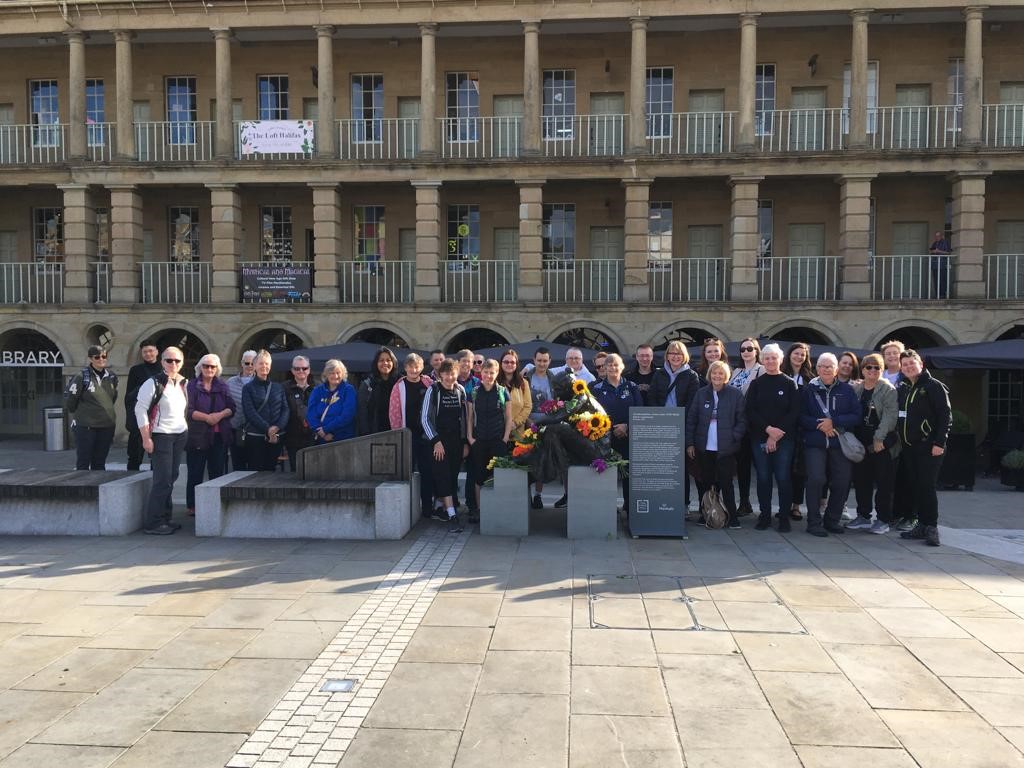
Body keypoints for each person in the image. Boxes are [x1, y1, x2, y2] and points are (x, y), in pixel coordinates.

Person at [799, 352, 861, 537]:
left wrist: (833, 422)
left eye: (830, 366)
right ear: (817, 369)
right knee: (816, 480)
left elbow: (856, 416)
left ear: (836, 369)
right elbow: (801, 416)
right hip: (815, 442)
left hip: (839, 443)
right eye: (823, 366)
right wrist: (820, 425)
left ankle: (832, 520)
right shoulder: (808, 390)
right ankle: (814, 522)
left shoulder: (847, 390)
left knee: (842, 481)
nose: (826, 369)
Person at [895, 350, 952, 547]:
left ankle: (932, 527)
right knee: (916, 485)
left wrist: (939, 442)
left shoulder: (933, 386)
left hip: (930, 447)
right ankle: (921, 523)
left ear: (921, 364)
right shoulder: (903, 387)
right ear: (901, 368)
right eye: (905, 364)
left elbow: (945, 416)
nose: (909, 367)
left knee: (927, 486)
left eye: (912, 363)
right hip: (910, 447)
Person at [686, 360, 747, 529]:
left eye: (720, 373)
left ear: (726, 375)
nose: (717, 376)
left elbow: (742, 421)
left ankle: (732, 517)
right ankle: (706, 514)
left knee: (726, 483)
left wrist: (734, 437)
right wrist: (690, 443)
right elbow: (691, 420)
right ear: (709, 375)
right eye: (714, 373)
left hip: (726, 448)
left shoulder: (735, 394)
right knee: (706, 482)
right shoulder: (701, 394)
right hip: (704, 447)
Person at [746, 344, 799, 532]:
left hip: (784, 439)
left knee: (783, 477)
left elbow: (794, 412)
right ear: (762, 360)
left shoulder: (789, 383)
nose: (770, 361)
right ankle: (765, 515)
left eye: (773, 357)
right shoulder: (756, 384)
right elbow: (750, 411)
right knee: (763, 477)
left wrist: (776, 434)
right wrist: (768, 430)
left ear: (780, 359)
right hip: (760, 436)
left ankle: (784, 516)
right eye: (766, 358)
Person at [135, 346, 189, 535]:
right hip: (161, 434)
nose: (173, 364)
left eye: (177, 361)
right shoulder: (153, 382)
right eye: (169, 360)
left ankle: (166, 517)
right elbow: (140, 409)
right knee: (162, 479)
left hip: (179, 434)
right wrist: (146, 438)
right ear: (162, 362)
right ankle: (153, 522)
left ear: (182, 362)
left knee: (171, 477)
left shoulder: (182, 382)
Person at [846, 353, 899, 534]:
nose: (873, 371)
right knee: (862, 481)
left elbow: (890, 417)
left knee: (883, 483)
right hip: (861, 443)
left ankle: (883, 519)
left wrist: (879, 438)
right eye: (869, 367)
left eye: (877, 367)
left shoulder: (888, 389)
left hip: (881, 444)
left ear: (882, 370)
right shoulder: (856, 389)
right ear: (862, 370)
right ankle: (863, 516)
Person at [651, 340, 701, 509]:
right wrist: (661, 417)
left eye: (679, 353)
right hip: (661, 426)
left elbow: (692, 403)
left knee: (680, 469)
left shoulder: (691, 376)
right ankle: (662, 501)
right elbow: (652, 398)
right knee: (661, 468)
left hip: (680, 426)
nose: (675, 357)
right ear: (667, 356)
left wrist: (676, 418)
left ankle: (684, 504)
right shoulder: (659, 374)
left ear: (684, 356)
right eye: (672, 353)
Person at [421, 358, 469, 533]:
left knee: (453, 475)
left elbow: (464, 419)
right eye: (446, 373)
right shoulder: (432, 391)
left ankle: (444, 507)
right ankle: (451, 515)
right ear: (440, 374)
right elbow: (425, 418)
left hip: (456, 441)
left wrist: (465, 443)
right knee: (442, 476)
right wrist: (436, 441)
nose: (449, 377)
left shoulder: (460, 390)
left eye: (452, 373)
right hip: (438, 442)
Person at [185, 353, 234, 516]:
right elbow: (188, 411)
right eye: (206, 366)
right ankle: (192, 505)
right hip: (197, 435)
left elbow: (231, 407)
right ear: (200, 367)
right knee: (195, 472)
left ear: (217, 368)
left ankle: (215, 502)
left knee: (217, 471)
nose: (209, 369)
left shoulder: (223, 386)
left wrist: (218, 416)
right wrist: (207, 418)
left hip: (218, 436)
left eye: (212, 366)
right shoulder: (191, 386)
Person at [593, 354, 643, 512]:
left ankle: (629, 505)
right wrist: (612, 427)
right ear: (604, 368)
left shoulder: (631, 386)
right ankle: (608, 506)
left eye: (616, 365)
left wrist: (626, 426)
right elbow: (592, 414)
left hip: (628, 436)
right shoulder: (596, 388)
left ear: (622, 367)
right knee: (606, 471)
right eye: (609, 365)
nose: (613, 368)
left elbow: (639, 410)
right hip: (605, 437)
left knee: (629, 472)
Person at [389, 352, 435, 517]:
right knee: (406, 471)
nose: (414, 369)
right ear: (406, 368)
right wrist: (398, 434)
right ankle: (406, 509)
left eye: (417, 366)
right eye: (411, 366)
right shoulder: (399, 386)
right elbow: (394, 413)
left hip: (426, 435)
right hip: (407, 435)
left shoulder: (430, 383)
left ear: (422, 367)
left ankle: (428, 508)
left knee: (427, 472)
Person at [468, 359, 512, 521]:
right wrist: (470, 437)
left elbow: (508, 417)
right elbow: (470, 417)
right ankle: (480, 510)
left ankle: (499, 509)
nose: (488, 375)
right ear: (481, 373)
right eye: (485, 372)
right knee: (479, 476)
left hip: (498, 440)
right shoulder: (474, 392)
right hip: (479, 440)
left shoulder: (502, 391)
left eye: (491, 372)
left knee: (498, 476)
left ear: (496, 373)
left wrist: (505, 438)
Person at [65, 345, 119, 471]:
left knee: (100, 462)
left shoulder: (112, 377)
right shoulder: (81, 377)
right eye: (97, 357)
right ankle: (82, 489)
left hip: (106, 425)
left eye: (104, 356)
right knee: (84, 462)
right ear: (90, 359)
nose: (101, 359)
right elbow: (71, 401)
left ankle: (98, 489)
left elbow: (112, 398)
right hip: (86, 426)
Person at [728, 337, 765, 517]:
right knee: (741, 466)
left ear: (757, 351)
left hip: (754, 425)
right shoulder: (735, 371)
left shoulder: (762, 370)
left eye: (750, 349)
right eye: (743, 349)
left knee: (758, 466)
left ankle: (761, 505)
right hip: (736, 424)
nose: (746, 352)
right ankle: (744, 502)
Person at [782, 341, 814, 521]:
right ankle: (783, 504)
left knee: (799, 469)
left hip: (802, 428)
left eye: (802, 354)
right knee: (783, 469)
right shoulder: (781, 374)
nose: (799, 357)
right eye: (796, 353)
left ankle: (796, 505)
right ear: (790, 355)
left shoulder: (809, 377)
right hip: (785, 427)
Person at [241, 350, 289, 471]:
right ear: (255, 365)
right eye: (261, 363)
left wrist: (277, 427)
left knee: (271, 470)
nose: (264, 366)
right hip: (256, 437)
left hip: (276, 437)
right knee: (255, 471)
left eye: (267, 363)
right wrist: (268, 429)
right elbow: (249, 412)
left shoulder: (278, 387)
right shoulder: (248, 388)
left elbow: (285, 409)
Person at [525, 346, 554, 509]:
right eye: (539, 360)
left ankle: (538, 495)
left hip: (549, 426)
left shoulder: (554, 378)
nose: (542, 363)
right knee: (527, 460)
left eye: (545, 360)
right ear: (534, 360)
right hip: (529, 425)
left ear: (549, 361)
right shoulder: (526, 378)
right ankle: (526, 493)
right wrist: (529, 422)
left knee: (543, 461)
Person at [124, 341, 160, 470]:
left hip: (157, 421)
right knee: (134, 457)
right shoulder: (136, 370)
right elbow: (128, 397)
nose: (148, 354)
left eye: (150, 351)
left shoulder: (163, 369)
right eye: (145, 352)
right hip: (139, 420)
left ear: (156, 351)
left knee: (157, 459)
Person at [307, 359, 357, 447]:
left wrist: (326, 429)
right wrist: (321, 432)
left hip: (343, 439)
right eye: (332, 373)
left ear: (343, 374)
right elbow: (311, 413)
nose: (335, 376)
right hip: (320, 440)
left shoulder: (348, 390)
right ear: (326, 374)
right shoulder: (317, 390)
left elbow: (347, 416)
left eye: (338, 372)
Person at [357, 347, 399, 436]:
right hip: (374, 433)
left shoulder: (400, 383)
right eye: (381, 360)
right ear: (376, 363)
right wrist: (365, 434)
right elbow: (362, 411)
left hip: (397, 432)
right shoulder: (367, 384)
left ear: (393, 362)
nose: (385, 363)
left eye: (388, 360)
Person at [226, 350, 256, 471]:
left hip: (255, 429)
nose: (249, 366)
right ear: (242, 363)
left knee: (254, 465)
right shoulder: (230, 382)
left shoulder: (261, 382)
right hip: (236, 429)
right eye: (247, 363)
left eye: (252, 363)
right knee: (238, 465)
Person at [283, 355, 314, 471]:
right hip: (292, 438)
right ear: (292, 370)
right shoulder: (284, 388)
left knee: (312, 471)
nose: (301, 371)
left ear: (309, 370)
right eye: (297, 368)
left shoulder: (316, 388)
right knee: (295, 472)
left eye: (304, 368)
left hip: (312, 438)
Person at [496, 348, 532, 441]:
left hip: (518, 434)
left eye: (512, 362)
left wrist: (515, 423)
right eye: (506, 362)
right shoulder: (494, 383)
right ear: (501, 363)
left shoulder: (523, 383)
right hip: (497, 432)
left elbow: (527, 407)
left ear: (516, 364)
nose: (509, 364)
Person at [929, 230, 952, 299]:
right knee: (936, 280)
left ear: (942, 236)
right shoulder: (935, 243)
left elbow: (948, 253)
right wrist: (933, 251)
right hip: (935, 265)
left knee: (942, 280)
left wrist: (939, 251)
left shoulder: (945, 242)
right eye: (936, 236)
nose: (937, 237)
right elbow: (932, 251)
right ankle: (937, 294)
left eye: (938, 236)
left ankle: (942, 295)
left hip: (942, 264)